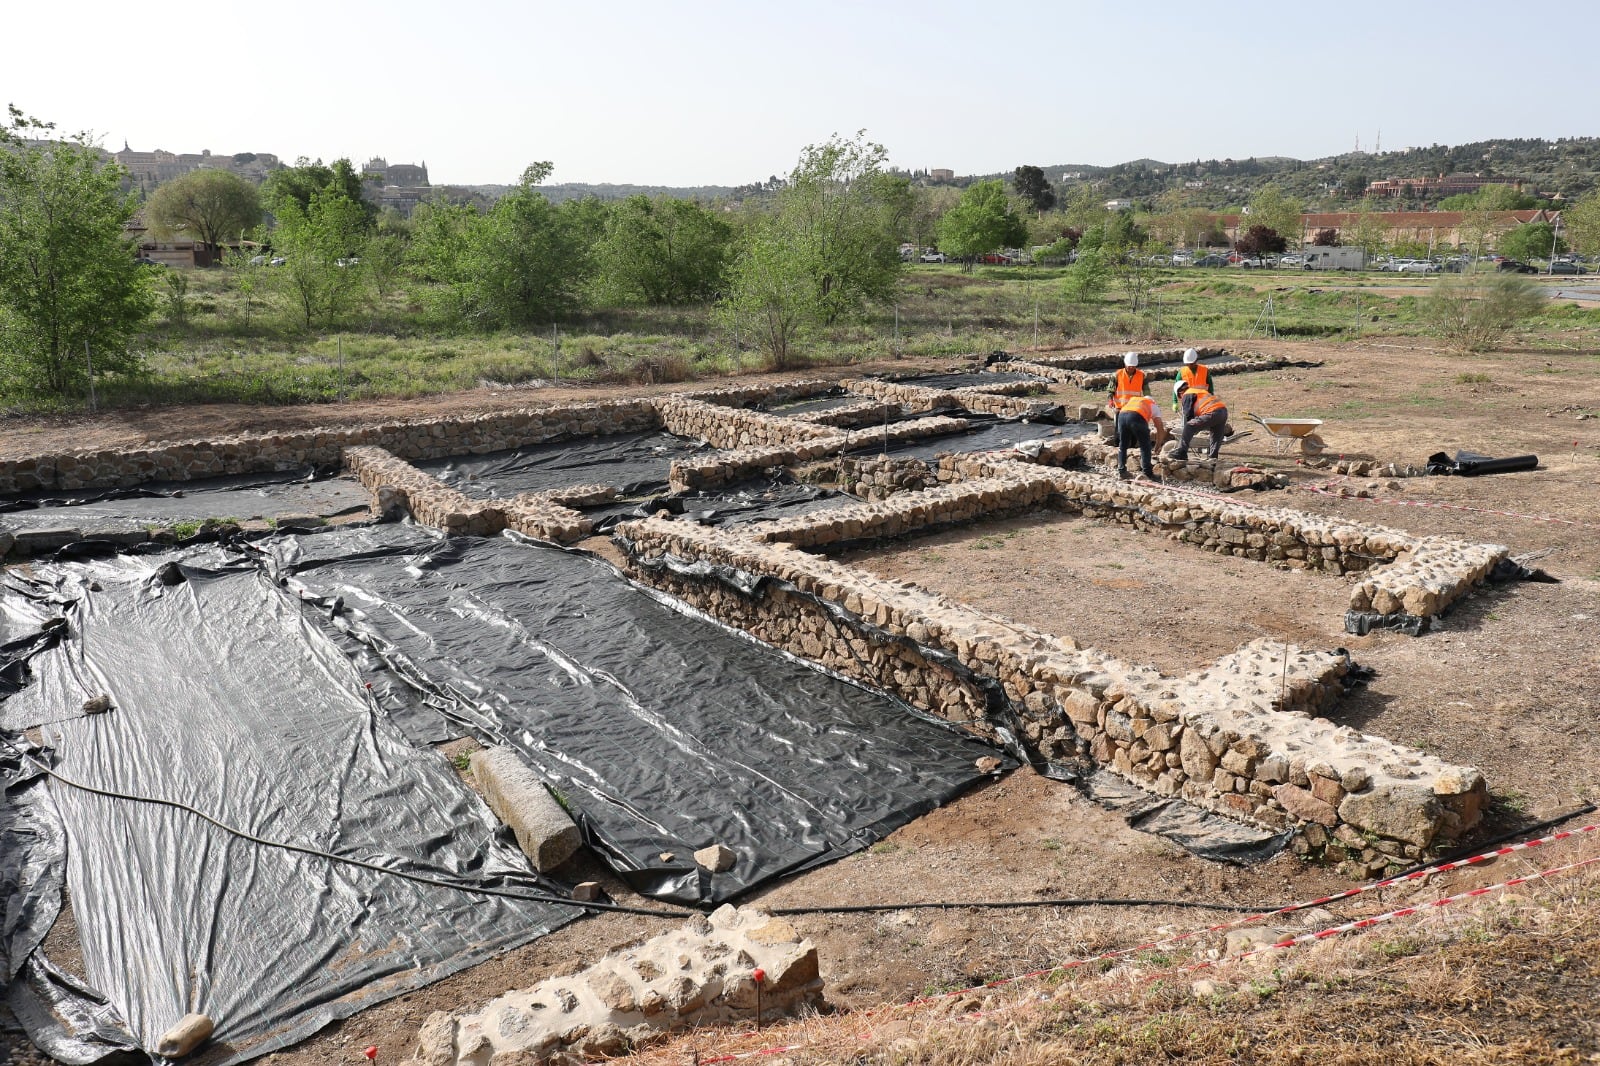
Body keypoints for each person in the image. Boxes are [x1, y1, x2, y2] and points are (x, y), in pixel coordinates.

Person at [1173, 381, 1229, 461]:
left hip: (1212, 412)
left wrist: (1189, 429)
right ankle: (1213, 460)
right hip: (1223, 411)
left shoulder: (1187, 394)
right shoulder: (1199, 391)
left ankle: (1181, 452)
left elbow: (1188, 414)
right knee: (1216, 437)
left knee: (1189, 426)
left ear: (1180, 393)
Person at [1115, 394, 1164, 480]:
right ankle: (1148, 473)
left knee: (1123, 445)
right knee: (1145, 446)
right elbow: (1160, 428)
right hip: (1136, 416)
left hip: (1122, 415)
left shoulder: (1134, 400)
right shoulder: (1152, 405)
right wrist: (1158, 445)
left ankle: (1122, 471)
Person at [1107, 352, 1146, 417]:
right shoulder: (1117, 374)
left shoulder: (1141, 375)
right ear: (1125, 364)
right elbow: (1110, 390)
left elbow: (1147, 391)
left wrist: (1148, 399)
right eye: (1129, 366)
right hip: (1120, 409)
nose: (1131, 368)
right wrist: (1110, 400)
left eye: (1133, 366)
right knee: (1119, 427)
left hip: (1135, 409)